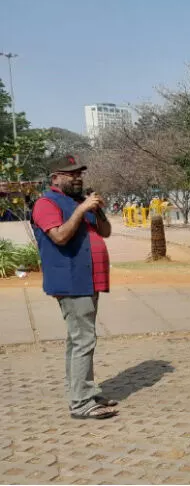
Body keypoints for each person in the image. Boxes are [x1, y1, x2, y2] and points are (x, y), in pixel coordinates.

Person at [30, 155, 118, 420]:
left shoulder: (78, 202)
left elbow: (105, 232)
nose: (78, 177)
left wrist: (97, 209)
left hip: (88, 279)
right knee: (84, 339)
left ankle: (83, 391)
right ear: (55, 177)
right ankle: (80, 403)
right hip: (71, 281)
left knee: (78, 339)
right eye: (71, 174)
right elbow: (59, 236)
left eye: (80, 173)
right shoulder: (46, 203)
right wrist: (81, 211)